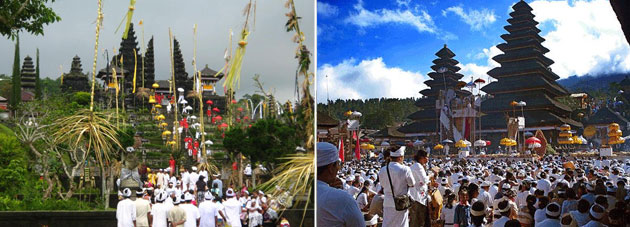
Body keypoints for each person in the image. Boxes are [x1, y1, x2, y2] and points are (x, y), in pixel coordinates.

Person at [316, 142, 365, 227]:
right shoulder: (343, 199)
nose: (338, 169)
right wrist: (336, 192)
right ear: (331, 167)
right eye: (337, 165)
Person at [378, 145, 415, 227]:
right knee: (401, 224)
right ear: (400, 157)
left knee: (387, 224)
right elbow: (412, 184)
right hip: (401, 202)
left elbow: (383, 185)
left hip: (388, 202)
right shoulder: (405, 169)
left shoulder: (383, 169)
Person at [410, 149, 430, 227]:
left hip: (417, 196)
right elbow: (424, 180)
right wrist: (431, 175)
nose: (427, 159)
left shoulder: (418, 166)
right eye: (426, 157)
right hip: (417, 198)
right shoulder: (418, 166)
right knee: (417, 220)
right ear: (422, 157)